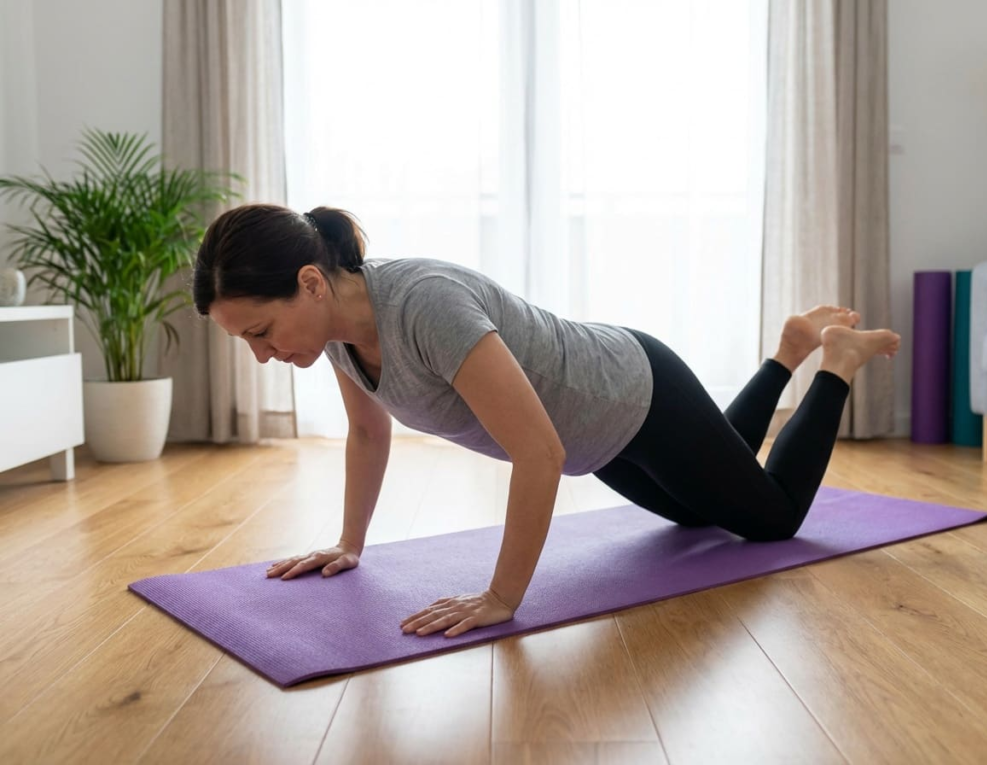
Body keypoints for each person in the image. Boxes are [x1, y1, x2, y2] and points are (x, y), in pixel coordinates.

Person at [193, 203, 901, 640]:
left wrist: (502, 597)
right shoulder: (337, 339)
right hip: (598, 436)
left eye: (260, 331)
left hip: (632, 390)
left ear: (311, 283)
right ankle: (787, 352)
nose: (262, 356)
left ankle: (834, 360)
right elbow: (369, 431)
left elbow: (537, 451)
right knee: (699, 510)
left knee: (771, 517)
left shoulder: (424, 305)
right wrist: (350, 543)